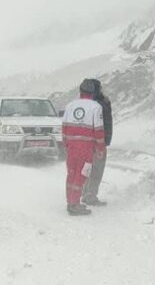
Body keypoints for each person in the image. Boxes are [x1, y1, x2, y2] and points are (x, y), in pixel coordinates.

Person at [62, 79, 105, 216]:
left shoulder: (70, 105)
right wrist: (100, 148)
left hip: (71, 147)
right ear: (92, 93)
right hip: (85, 148)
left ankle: (70, 202)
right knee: (81, 175)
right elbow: (98, 130)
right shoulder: (96, 107)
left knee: (71, 173)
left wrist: (66, 144)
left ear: (80, 91)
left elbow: (64, 127)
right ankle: (75, 205)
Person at [82, 79, 113, 206]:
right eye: (99, 88)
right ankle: (91, 196)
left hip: (86, 141)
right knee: (97, 170)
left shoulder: (85, 103)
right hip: (98, 141)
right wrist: (104, 141)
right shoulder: (102, 102)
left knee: (87, 169)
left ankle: (85, 194)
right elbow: (105, 124)